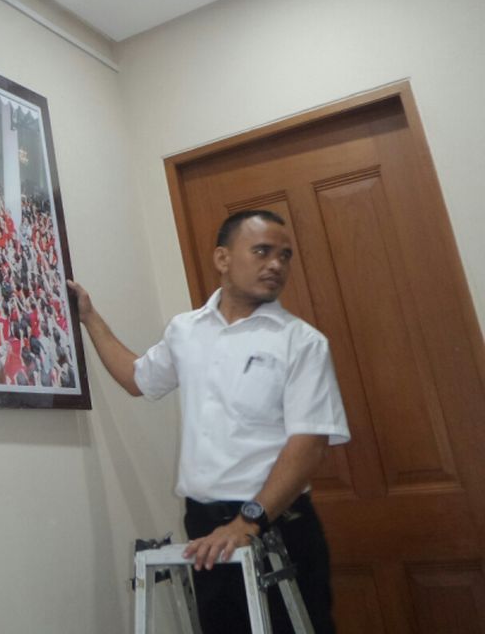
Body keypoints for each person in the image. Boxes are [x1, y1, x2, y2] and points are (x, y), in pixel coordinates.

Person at [67, 209, 349, 634]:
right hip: (204, 528)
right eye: (262, 251)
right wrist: (89, 316)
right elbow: (136, 378)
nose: (276, 264)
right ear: (222, 258)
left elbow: (308, 446)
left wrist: (248, 523)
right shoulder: (186, 330)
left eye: (284, 255)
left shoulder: (302, 342)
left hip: (274, 528)